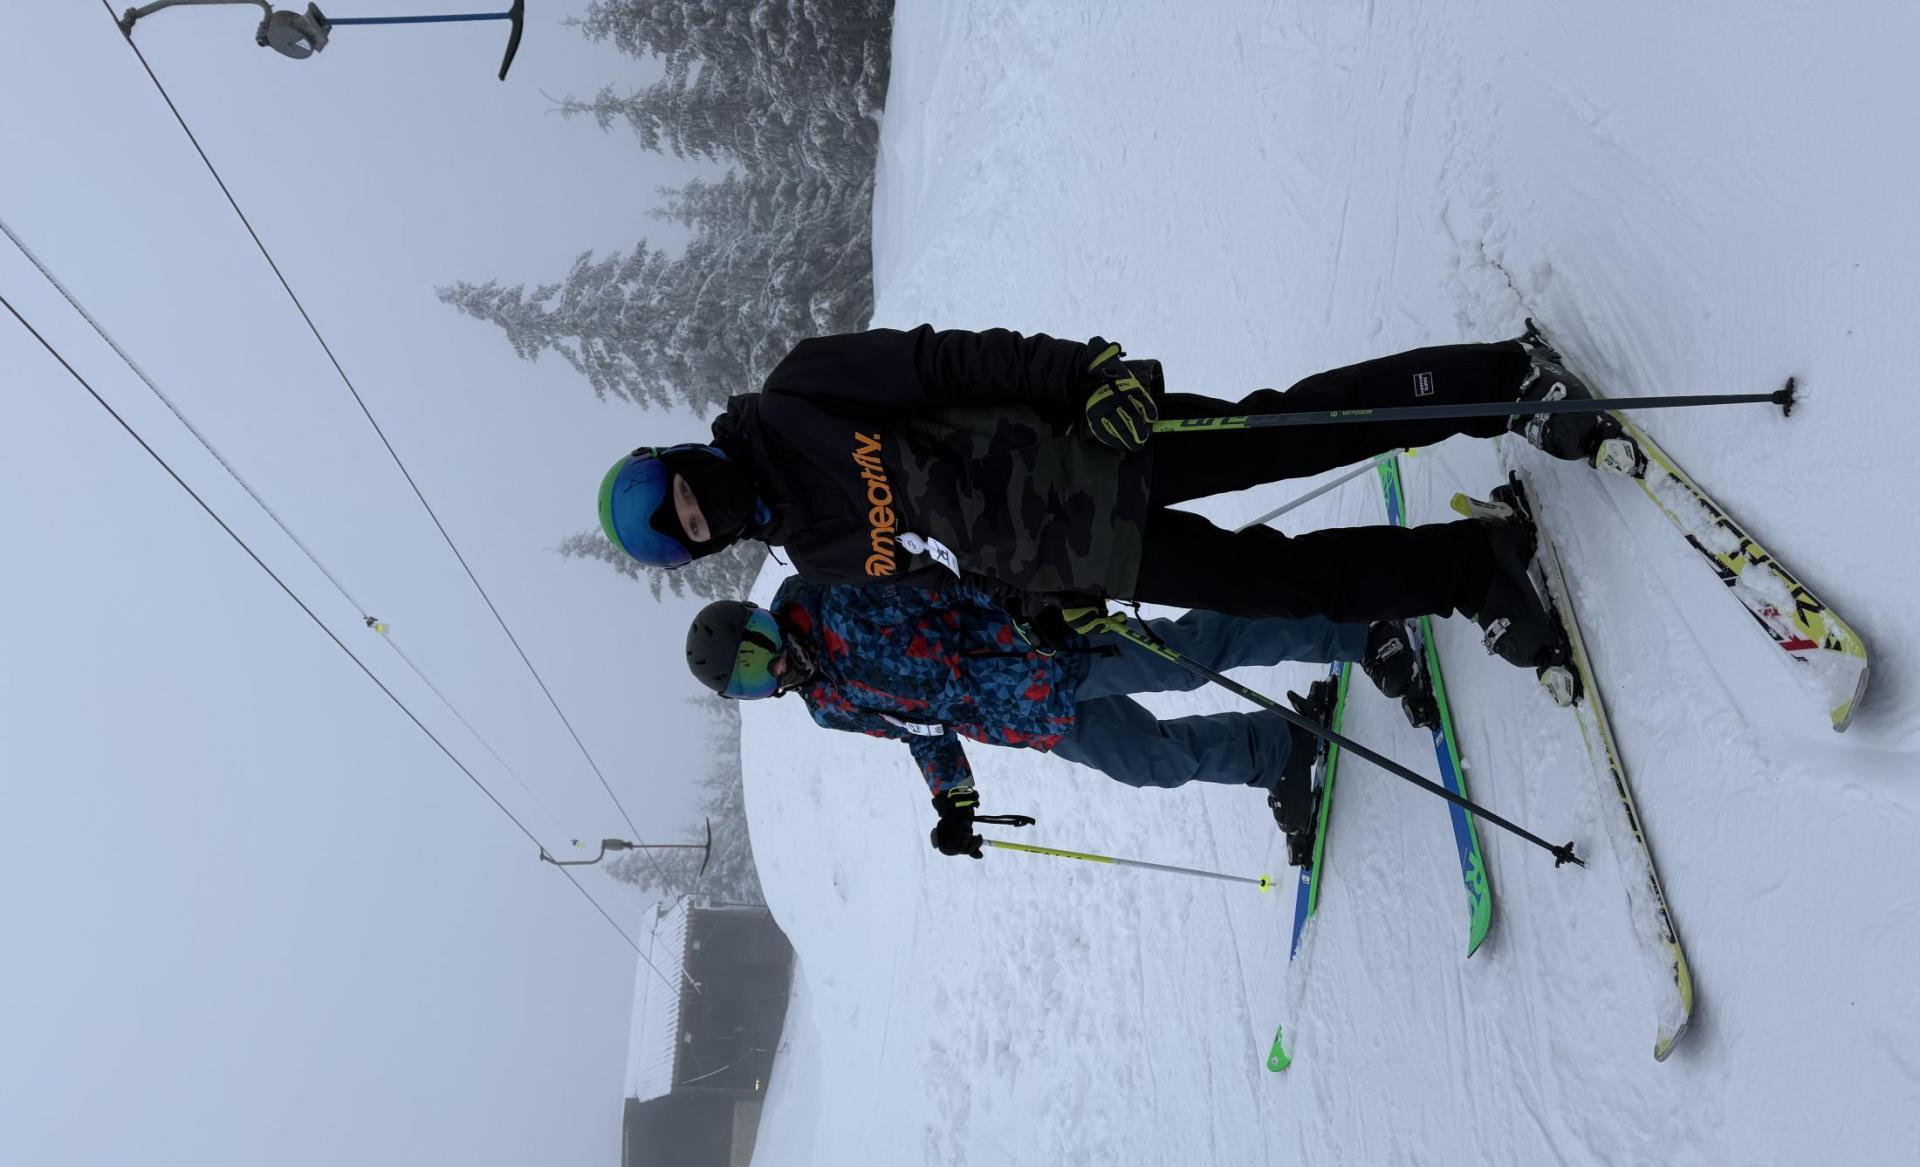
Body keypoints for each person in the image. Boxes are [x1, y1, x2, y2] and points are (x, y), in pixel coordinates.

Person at [600, 325, 1612, 669]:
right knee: (1287, 589)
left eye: (689, 492)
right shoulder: (816, 559)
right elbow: (948, 572)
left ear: (687, 456)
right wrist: (1042, 608)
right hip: (1087, 555)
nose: (706, 510)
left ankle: (1501, 384)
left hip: (1093, 448)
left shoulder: (795, 398)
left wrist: (1086, 374)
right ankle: (1473, 569)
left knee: (1300, 430)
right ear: (707, 548)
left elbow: (947, 362)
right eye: (695, 528)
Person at [684, 579, 1416, 859]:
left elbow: (945, 577)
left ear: (761, 622)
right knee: (1149, 763)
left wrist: (1032, 601)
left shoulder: (836, 594)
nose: (769, 671)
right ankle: (1277, 751)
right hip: (1031, 719)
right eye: (748, 681)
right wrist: (954, 800)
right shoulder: (828, 706)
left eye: (756, 652)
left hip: (1046, 648)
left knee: (1193, 654)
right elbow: (924, 730)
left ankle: (1356, 627)